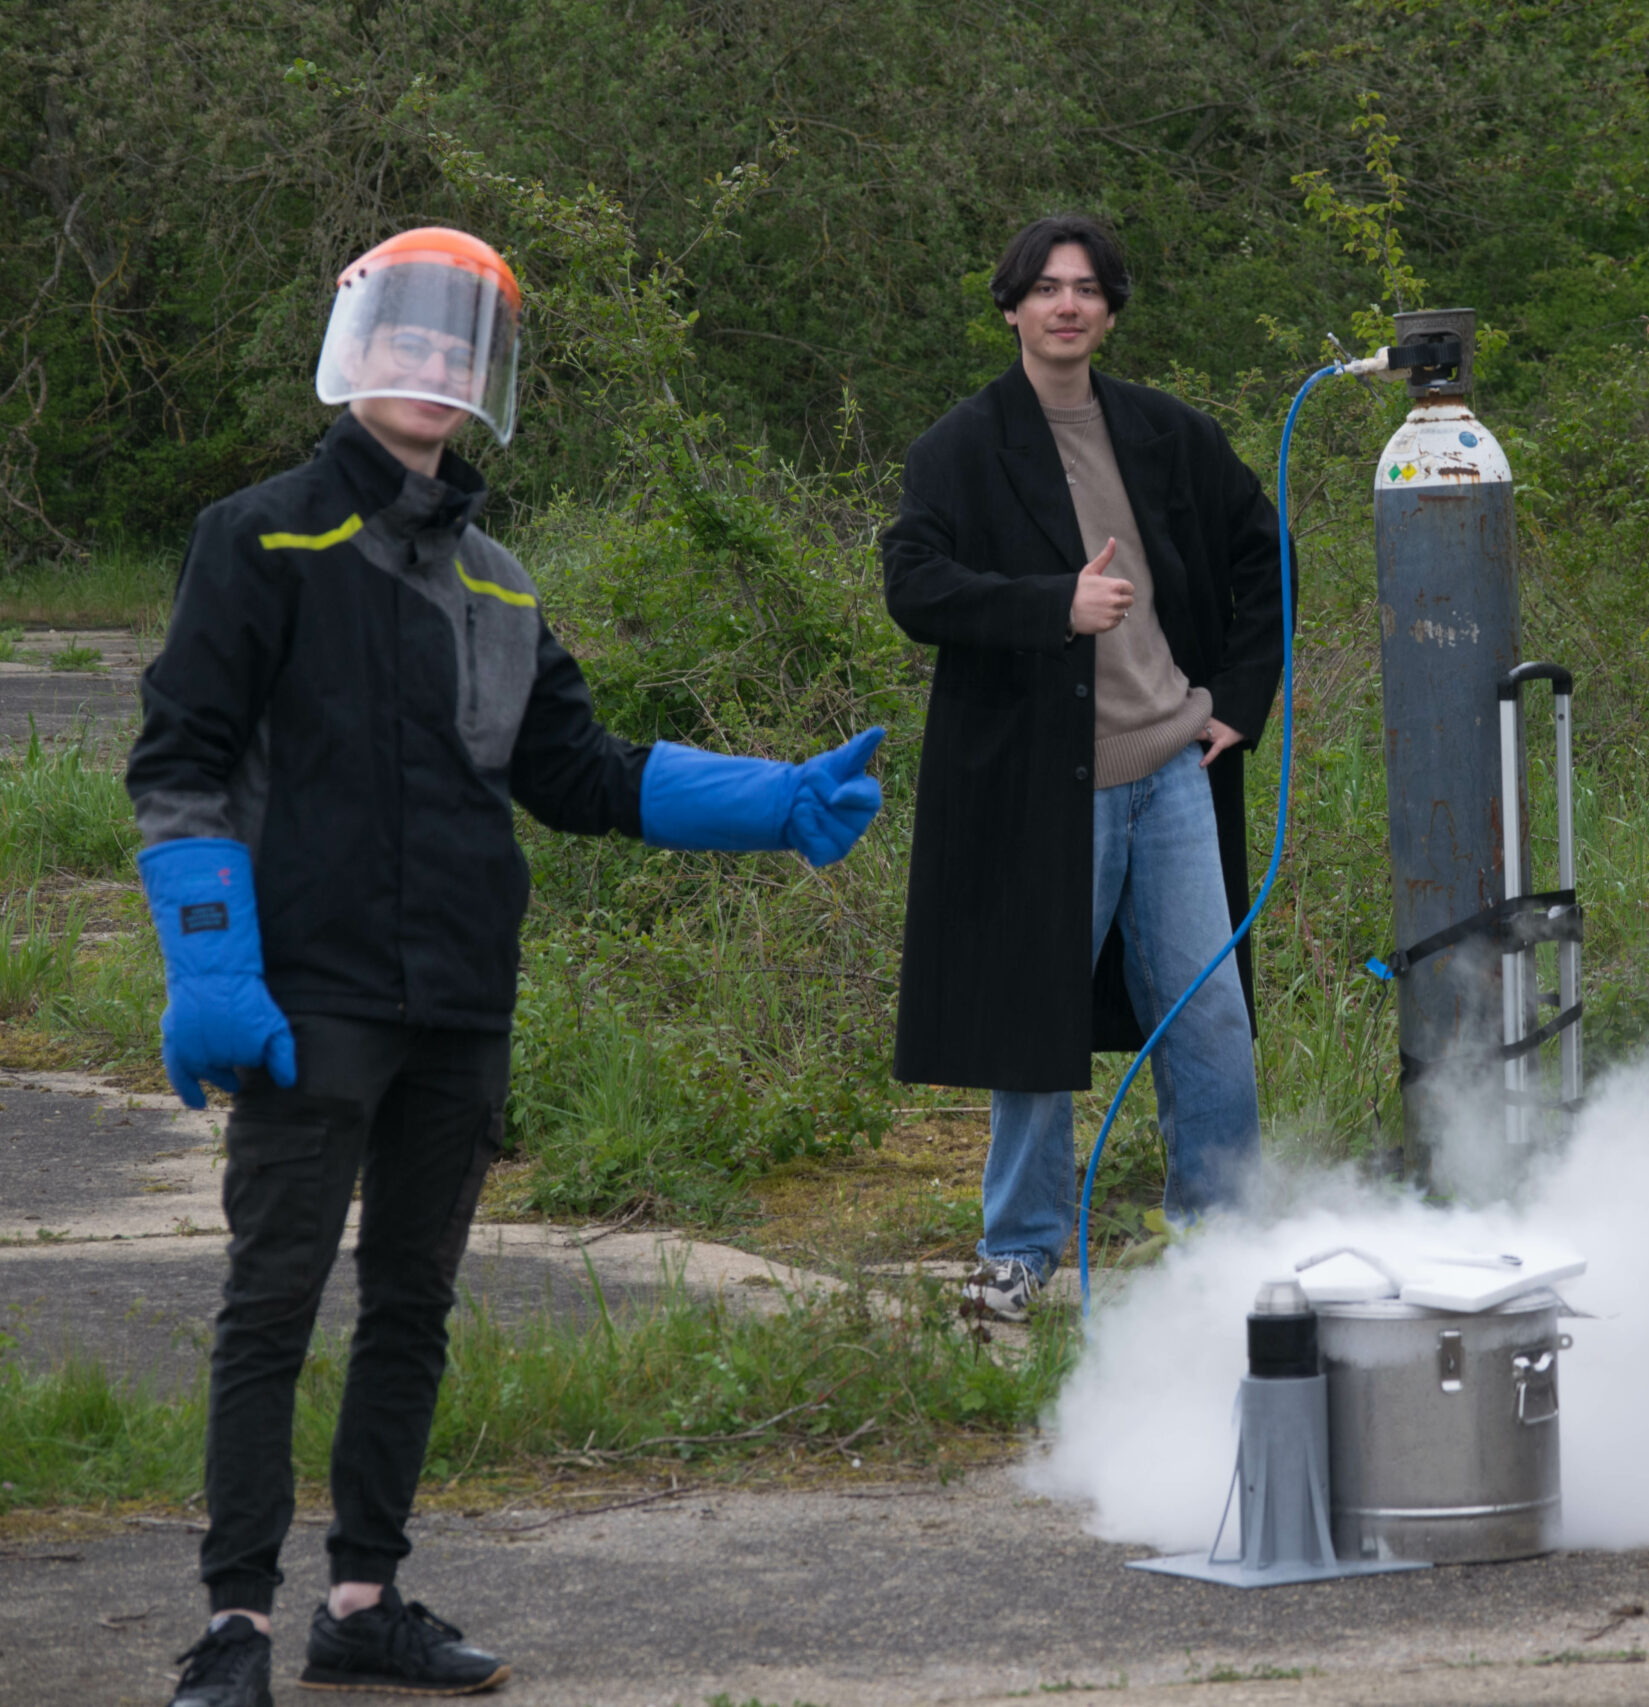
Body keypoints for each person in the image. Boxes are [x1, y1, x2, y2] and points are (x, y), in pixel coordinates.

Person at [130, 226, 886, 1707]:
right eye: (405, 338)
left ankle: (364, 1596)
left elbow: (576, 769)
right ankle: (235, 1623)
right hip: (310, 996)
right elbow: (180, 762)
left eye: (454, 347)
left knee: (413, 1301)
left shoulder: (498, 580)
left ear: (483, 380)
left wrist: (774, 797)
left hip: (461, 997)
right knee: (271, 1301)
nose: (428, 367)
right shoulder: (263, 535)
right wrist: (209, 961)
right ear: (359, 354)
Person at [881, 213, 1287, 1321]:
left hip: (1168, 772)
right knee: (1034, 1028)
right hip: (1040, 790)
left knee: (1206, 1020)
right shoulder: (958, 449)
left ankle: (1221, 1249)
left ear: (1109, 310)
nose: (1069, 305)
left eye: (1089, 288)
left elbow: (1266, 553)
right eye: (1047, 287)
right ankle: (1017, 1251)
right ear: (1011, 306)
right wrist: (1048, 606)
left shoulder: (1167, 434)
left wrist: (1238, 704)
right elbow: (913, 587)